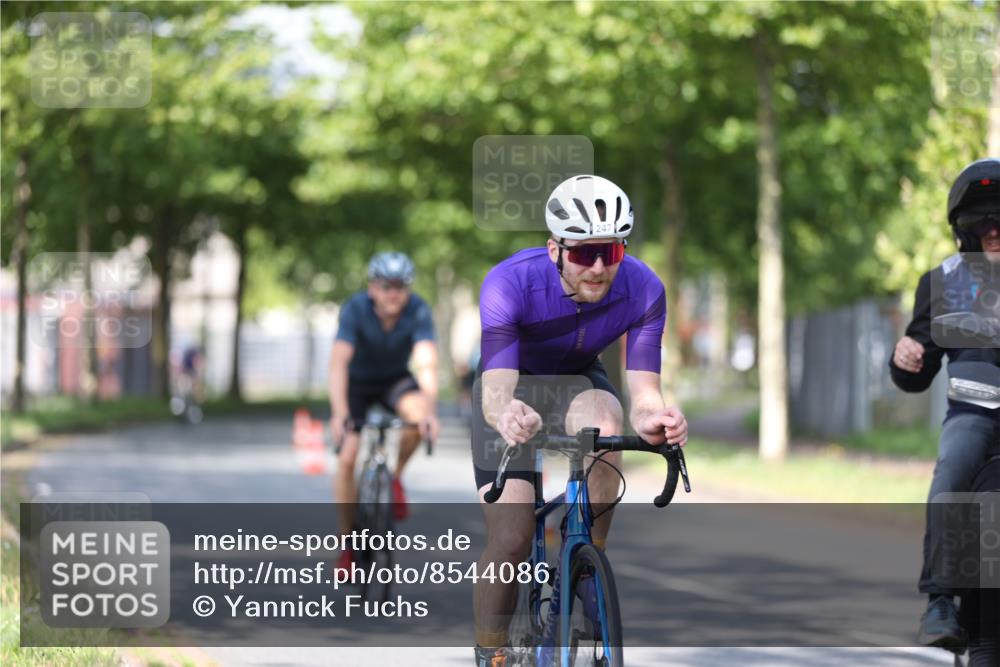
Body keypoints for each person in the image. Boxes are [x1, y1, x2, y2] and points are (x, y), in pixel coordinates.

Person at [471, 175, 689, 666]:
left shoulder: (644, 288)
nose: (596, 268)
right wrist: (505, 412)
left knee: (606, 416)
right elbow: (497, 389)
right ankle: (491, 654)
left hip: (576, 380)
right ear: (555, 249)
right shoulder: (509, 282)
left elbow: (645, 393)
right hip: (511, 387)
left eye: (609, 253)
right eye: (582, 254)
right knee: (511, 538)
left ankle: (587, 557)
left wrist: (658, 419)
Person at [888, 158, 1000, 653]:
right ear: (964, 231)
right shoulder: (945, 281)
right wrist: (905, 360)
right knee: (953, 466)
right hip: (974, 415)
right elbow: (916, 375)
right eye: (982, 222)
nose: (994, 231)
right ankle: (939, 600)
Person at [328, 251, 440, 569]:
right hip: (357, 384)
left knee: (418, 421)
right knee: (348, 456)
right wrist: (339, 413)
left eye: (400, 286)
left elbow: (426, 362)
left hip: (395, 381)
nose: (393, 293)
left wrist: (429, 411)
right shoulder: (355, 309)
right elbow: (338, 364)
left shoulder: (418, 310)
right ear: (372, 288)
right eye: (386, 286)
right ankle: (348, 543)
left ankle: (394, 477)